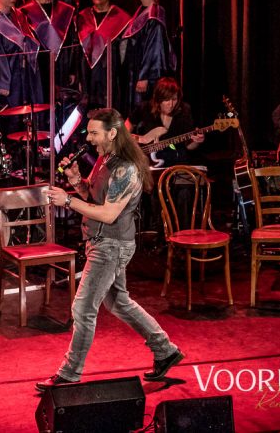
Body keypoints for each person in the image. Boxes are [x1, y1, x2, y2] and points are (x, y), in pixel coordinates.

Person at [39, 108, 183, 389]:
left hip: (112, 245)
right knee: (119, 302)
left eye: (94, 133)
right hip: (101, 242)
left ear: (112, 133)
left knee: (82, 308)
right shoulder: (105, 159)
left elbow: (108, 214)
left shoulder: (126, 168)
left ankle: (70, 373)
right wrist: (75, 182)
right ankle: (165, 350)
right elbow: (92, 196)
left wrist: (66, 201)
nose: (89, 138)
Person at [20, 0, 79, 102]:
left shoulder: (66, 10)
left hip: (61, 64)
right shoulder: (24, 11)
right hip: (39, 65)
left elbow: (71, 42)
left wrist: (71, 69)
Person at [121, 0, 173, 113]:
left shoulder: (154, 15)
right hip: (135, 72)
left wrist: (144, 77)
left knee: (143, 112)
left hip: (145, 77)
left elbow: (154, 49)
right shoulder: (141, 11)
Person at [77, 0, 131, 110]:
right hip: (86, 75)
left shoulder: (121, 18)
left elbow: (125, 53)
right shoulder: (82, 17)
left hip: (110, 75)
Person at [126, 77, 203, 167]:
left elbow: (189, 146)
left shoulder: (184, 110)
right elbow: (128, 123)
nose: (171, 104)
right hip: (147, 164)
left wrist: (197, 141)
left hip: (176, 164)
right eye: (166, 100)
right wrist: (127, 143)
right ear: (158, 99)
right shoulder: (146, 107)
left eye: (174, 99)